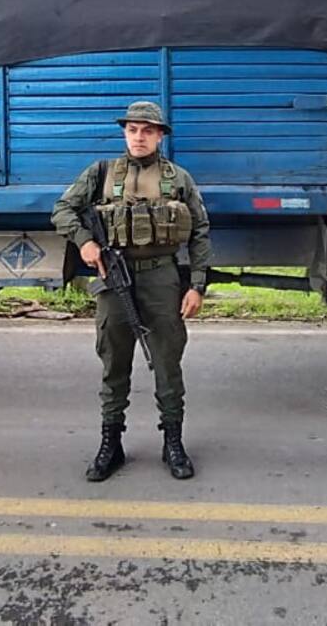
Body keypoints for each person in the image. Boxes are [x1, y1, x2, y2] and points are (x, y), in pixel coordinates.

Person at [51, 101, 211, 482]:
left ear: (159, 136)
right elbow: (62, 210)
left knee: (167, 363)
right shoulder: (102, 172)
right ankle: (111, 444)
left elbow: (200, 232)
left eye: (147, 131)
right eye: (132, 130)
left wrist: (198, 286)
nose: (138, 137)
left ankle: (173, 442)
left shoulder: (178, 178)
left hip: (162, 279)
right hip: (113, 278)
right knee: (114, 362)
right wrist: (86, 243)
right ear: (125, 133)